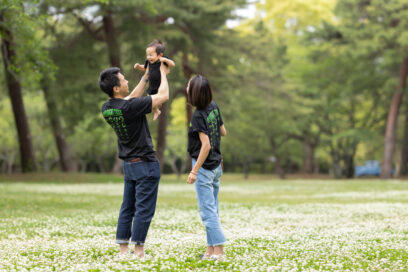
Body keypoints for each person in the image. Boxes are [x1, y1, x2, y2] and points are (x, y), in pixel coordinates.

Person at [98, 62, 169, 259]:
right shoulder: (131, 107)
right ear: (116, 88)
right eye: (123, 79)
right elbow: (163, 96)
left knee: (127, 207)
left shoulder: (108, 108)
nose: (126, 80)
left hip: (129, 165)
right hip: (145, 164)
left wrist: (145, 78)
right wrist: (162, 73)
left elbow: (130, 99)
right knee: (144, 210)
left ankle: (123, 249)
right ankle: (138, 251)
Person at [186, 75, 227, 260]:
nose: (186, 88)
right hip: (216, 165)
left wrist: (194, 171)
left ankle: (219, 251)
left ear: (193, 93)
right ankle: (210, 250)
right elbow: (223, 131)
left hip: (204, 168)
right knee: (213, 209)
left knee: (207, 211)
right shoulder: (214, 107)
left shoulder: (198, 115)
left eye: (188, 86)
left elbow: (206, 145)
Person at [134, 40, 175, 121]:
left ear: (160, 55)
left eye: (151, 55)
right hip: (152, 85)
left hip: (160, 85)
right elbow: (145, 68)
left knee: (158, 99)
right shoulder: (148, 62)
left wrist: (165, 60)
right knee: (149, 98)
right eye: (147, 55)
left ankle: (158, 107)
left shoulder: (162, 60)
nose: (149, 57)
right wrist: (138, 66)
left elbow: (172, 64)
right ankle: (156, 111)